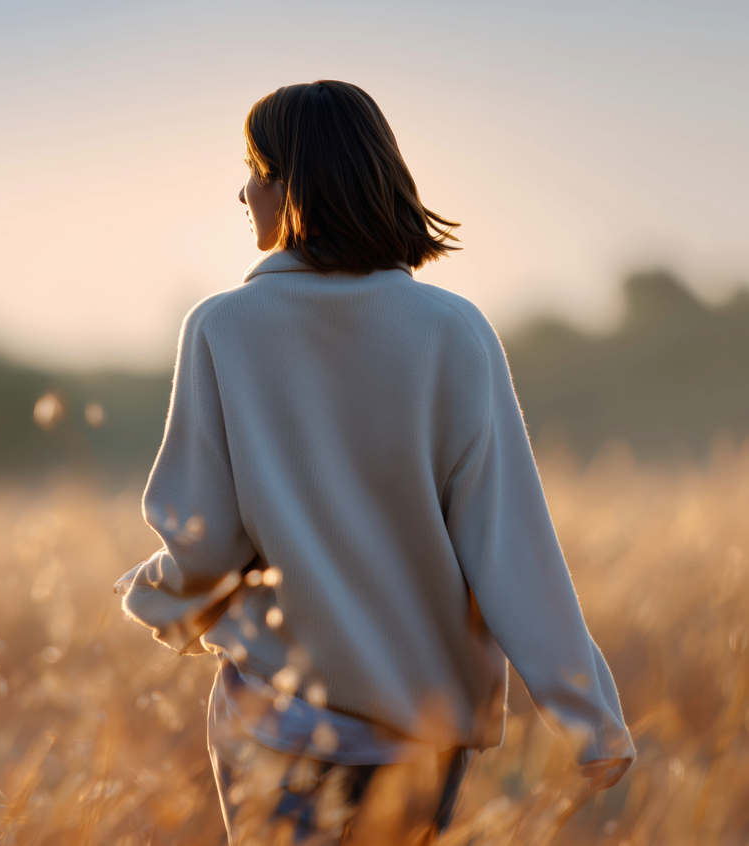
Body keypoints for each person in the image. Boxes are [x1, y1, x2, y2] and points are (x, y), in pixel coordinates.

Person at [114, 80, 634, 844]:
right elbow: (509, 546)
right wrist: (591, 720)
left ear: (298, 185)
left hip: (279, 721)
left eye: (258, 169)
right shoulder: (454, 331)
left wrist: (151, 598)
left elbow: (205, 539)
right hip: (421, 734)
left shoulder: (223, 328)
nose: (244, 189)